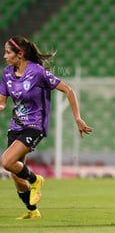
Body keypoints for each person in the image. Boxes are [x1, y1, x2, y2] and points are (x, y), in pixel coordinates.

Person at [0, 36, 93, 219]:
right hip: (16, 126)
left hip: (34, 125)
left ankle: (36, 180)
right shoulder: (7, 74)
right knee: (16, 175)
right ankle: (32, 211)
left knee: (6, 162)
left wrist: (78, 118)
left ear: (20, 54)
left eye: (8, 52)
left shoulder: (38, 72)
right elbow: (2, 103)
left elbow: (68, 90)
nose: (4, 56)